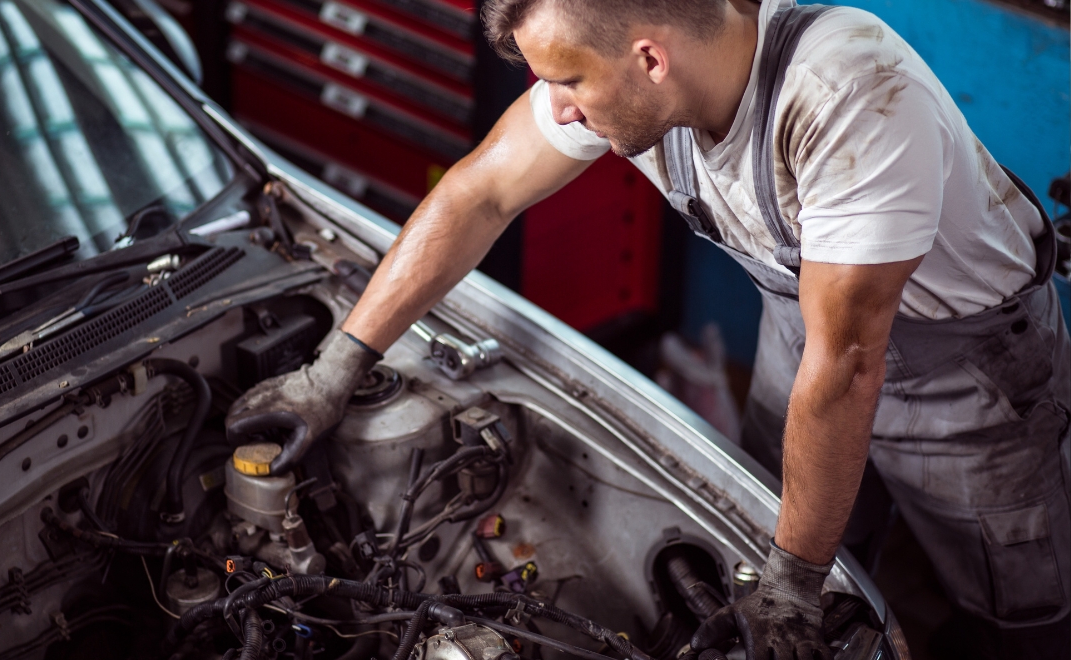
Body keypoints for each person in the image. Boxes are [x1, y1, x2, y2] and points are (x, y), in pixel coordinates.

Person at [226, 0, 1071, 657]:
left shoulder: (848, 92)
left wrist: (794, 580)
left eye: (566, 81)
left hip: (973, 375)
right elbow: (479, 193)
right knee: (776, 541)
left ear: (650, 59)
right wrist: (333, 370)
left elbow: (851, 362)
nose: (553, 105)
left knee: (1015, 604)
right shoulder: (628, 76)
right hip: (807, 331)